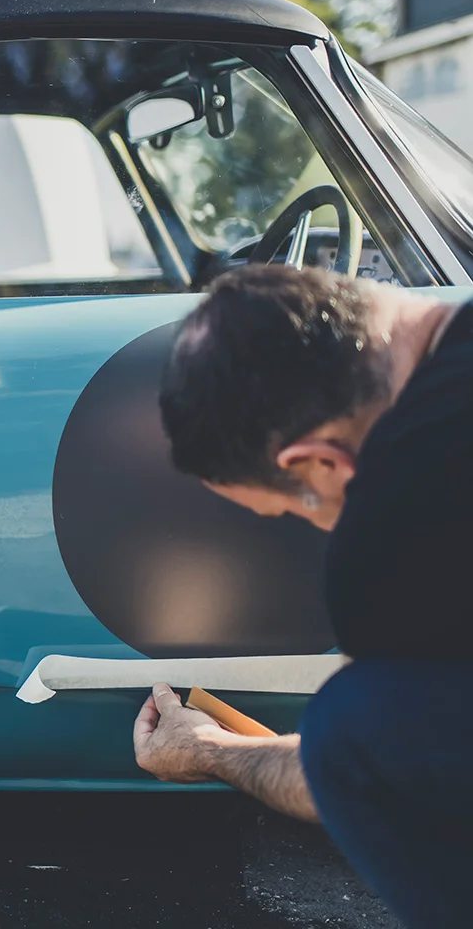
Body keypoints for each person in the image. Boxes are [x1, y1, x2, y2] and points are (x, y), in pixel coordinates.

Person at [131, 264, 473, 929]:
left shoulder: (401, 529)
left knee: (356, 721)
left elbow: (371, 763)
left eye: (296, 510)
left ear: (319, 463)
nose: (320, 525)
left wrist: (208, 751)